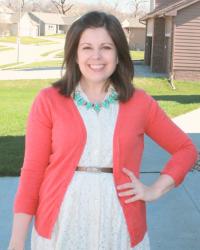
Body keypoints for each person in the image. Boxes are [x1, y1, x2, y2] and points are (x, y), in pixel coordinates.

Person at [8, 11, 198, 250]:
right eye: (87, 47)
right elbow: (33, 172)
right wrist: (17, 240)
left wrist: (155, 189)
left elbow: (185, 149)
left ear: (118, 54)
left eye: (106, 47)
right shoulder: (49, 101)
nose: (96, 56)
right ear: (75, 55)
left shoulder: (140, 103)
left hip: (119, 226)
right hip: (61, 225)